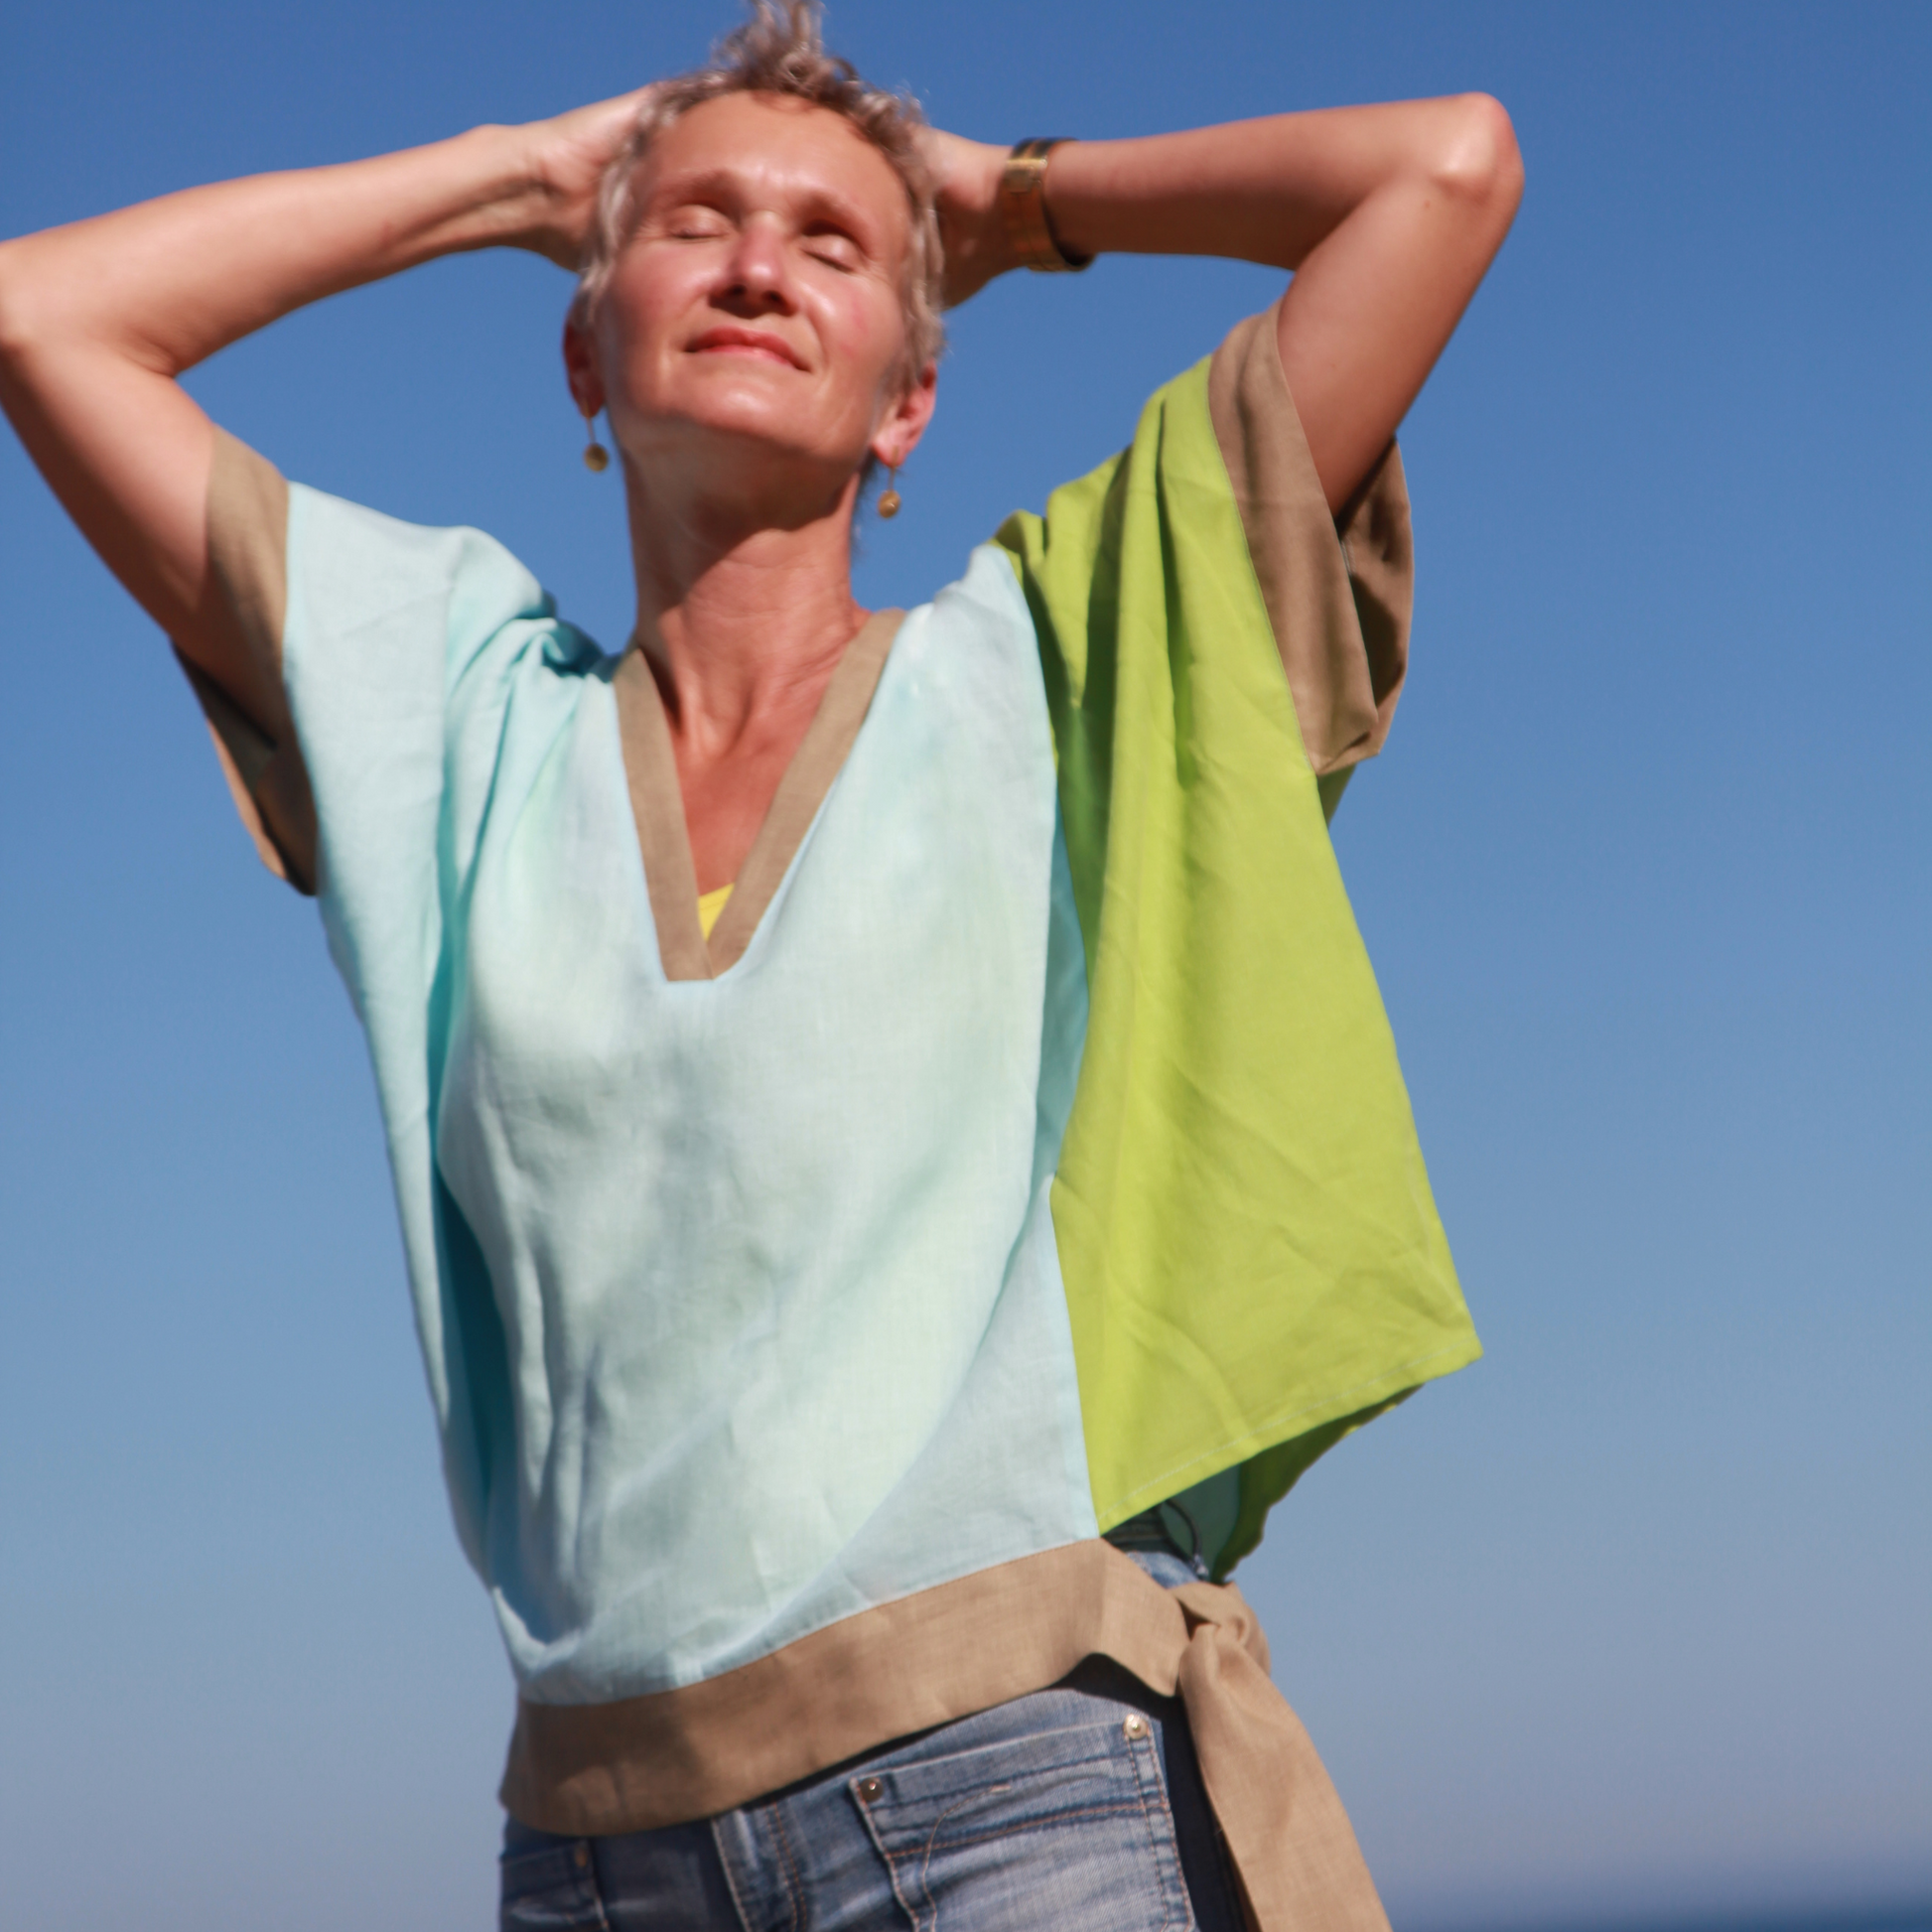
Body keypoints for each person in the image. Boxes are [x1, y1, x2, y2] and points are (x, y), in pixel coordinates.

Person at [0, 4, 1521, 1925]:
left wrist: (1003, 201)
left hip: (1020, 1794)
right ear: (584, 341)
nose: (755, 264)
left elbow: (1442, 169)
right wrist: (526, 176)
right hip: (594, 1849)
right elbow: (43, 314)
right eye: (696, 222)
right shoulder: (449, 724)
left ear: (910, 402)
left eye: (829, 245)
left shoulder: (1058, 657)